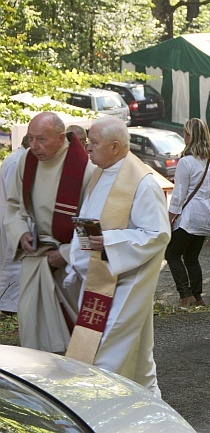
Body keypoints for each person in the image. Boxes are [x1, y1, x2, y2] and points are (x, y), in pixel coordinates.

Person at [65, 116, 171, 396]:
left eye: (94, 143)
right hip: (100, 277)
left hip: (125, 282)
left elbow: (158, 234)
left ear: (114, 146)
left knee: (104, 350)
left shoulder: (143, 183)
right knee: (136, 353)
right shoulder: (100, 172)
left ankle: (96, 406)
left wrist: (110, 241)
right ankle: (147, 404)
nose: (87, 148)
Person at [4, 112, 94, 353]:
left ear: (60, 136)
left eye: (41, 139)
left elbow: (94, 221)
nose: (34, 146)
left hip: (69, 264)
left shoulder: (84, 168)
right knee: (33, 327)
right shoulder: (27, 161)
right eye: (30, 138)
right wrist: (21, 232)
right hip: (36, 257)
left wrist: (66, 253)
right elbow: (12, 206)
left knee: (72, 337)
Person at [165, 118, 210, 308]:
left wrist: (170, 216)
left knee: (172, 254)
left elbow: (179, 193)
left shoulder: (186, 162)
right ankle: (197, 296)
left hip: (189, 216)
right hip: (206, 216)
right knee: (191, 257)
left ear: (189, 136)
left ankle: (185, 295)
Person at [0, 135, 30, 319]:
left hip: (10, 215)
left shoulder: (16, 158)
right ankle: (8, 305)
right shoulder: (17, 161)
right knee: (11, 260)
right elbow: (15, 195)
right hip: (10, 215)